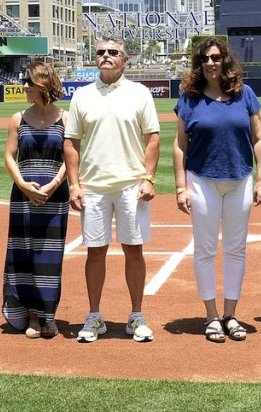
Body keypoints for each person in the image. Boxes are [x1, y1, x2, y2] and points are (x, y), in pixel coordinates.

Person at [64, 35, 160, 343]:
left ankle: (136, 315)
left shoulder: (140, 93)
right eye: (101, 52)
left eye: (113, 52)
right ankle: (94, 316)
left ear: (125, 59)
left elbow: (153, 139)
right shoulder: (82, 95)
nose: (106, 56)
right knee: (96, 251)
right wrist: (74, 184)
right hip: (92, 187)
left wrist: (149, 178)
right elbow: (71, 143)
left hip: (131, 185)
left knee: (134, 249)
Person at [173, 37, 261, 342]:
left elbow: (258, 139)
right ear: (198, 64)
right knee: (205, 249)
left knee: (236, 250)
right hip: (201, 180)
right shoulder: (189, 98)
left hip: (240, 179)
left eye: (215, 57)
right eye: (204, 59)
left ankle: (231, 314)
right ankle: (211, 316)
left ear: (224, 60)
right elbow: (179, 146)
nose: (210, 63)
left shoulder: (245, 93)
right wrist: (179, 187)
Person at [3, 60, 69, 339]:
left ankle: (49, 315)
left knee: (50, 255)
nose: (24, 87)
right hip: (23, 197)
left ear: (43, 83)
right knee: (25, 253)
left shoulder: (66, 118)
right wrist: (22, 184)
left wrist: (54, 184)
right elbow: (9, 155)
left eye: (29, 82)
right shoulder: (18, 118)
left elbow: (72, 158)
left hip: (55, 196)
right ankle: (31, 314)